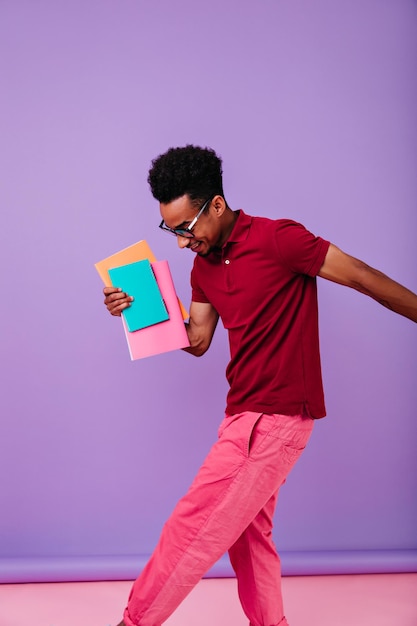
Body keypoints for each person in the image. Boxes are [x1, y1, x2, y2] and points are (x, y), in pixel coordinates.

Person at [103, 145, 417, 626]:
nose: (183, 242)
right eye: (171, 231)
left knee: (191, 528)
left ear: (217, 206)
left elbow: (360, 276)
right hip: (241, 414)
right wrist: (138, 310)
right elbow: (198, 338)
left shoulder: (279, 239)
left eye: (187, 228)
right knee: (250, 541)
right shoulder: (202, 266)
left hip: (272, 420)